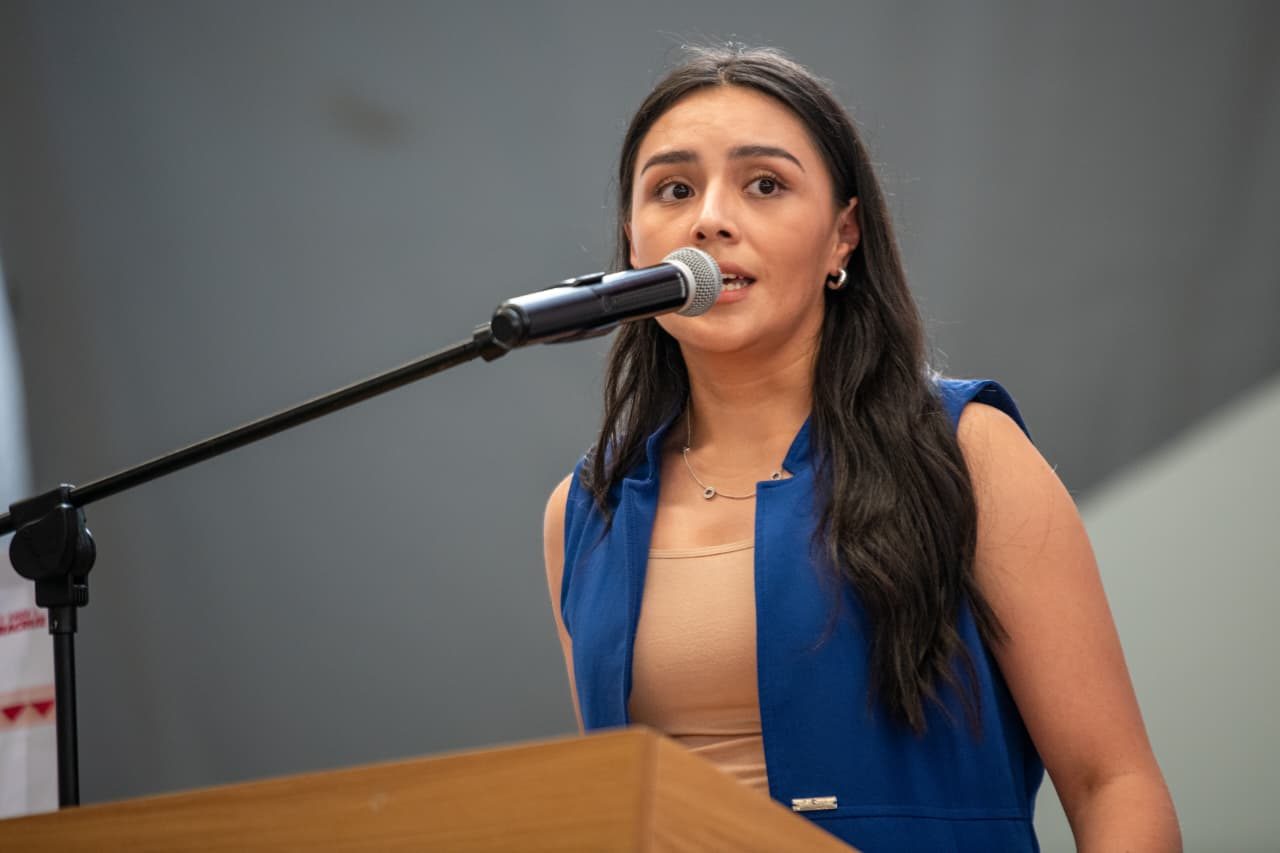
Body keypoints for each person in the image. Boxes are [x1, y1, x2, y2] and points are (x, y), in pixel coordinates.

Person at [541, 45, 1179, 852]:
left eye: (764, 184)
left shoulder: (966, 450)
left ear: (843, 237)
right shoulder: (584, 513)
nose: (709, 219)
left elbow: (1113, 785)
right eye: (674, 189)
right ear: (635, 242)